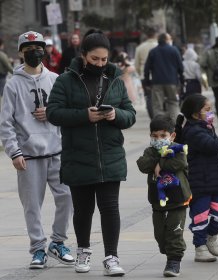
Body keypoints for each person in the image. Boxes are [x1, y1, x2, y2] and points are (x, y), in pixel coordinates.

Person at [46, 29, 136, 276]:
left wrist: (116, 114)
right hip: (78, 156)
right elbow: (53, 112)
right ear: (83, 55)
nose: (99, 64)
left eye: (104, 59)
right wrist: (84, 115)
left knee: (110, 208)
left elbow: (130, 115)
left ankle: (111, 257)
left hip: (110, 156)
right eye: (95, 59)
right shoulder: (66, 79)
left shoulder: (115, 79)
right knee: (83, 209)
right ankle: (83, 252)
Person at [0, 31, 74, 269]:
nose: (35, 51)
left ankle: (58, 242)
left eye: (39, 47)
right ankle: (37, 248)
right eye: (29, 48)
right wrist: (14, 151)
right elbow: (5, 122)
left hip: (57, 150)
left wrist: (52, 114)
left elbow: (67, 112)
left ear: (45, 50)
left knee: (68, 197)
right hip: (29, 155)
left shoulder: (55, 79)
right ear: (21, 52)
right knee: (32, 205)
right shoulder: (13, 85)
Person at [174, 94, 218, 262]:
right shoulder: (192, 131)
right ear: (195, 113)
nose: (211, 112)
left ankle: (210, 238)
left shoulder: (206, 126)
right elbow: (212, 146)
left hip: (213, 181)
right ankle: (200, 247)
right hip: (199, 183)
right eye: (207, 109)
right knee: (200, 217)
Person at [136, 115, 192, 277]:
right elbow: (142, 165)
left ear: (172, 136)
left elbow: (179, 163)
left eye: (163, 136)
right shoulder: (150, 151)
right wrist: (159, 157)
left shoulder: (178, 148)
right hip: (157, 200)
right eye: (154, 136)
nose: (158, 139)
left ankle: (174, 261)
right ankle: (167, 249)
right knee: (160, 234)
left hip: (178, 199)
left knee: (174, 231)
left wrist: (161, 164)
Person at [144, 33, 184, 121]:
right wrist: (181, 80)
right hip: (172, 81)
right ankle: (175, 122)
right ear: (166, 40)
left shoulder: (153, 51)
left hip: (157, 82)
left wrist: (147, 82)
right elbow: (180, 67)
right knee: (173, 102)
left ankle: (159, 124)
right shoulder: (174, 50)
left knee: (157, 104)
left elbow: (147, 68)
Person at [134, 27, 157, 119]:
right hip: (157, 75)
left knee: (149, 97)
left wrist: (140, 73)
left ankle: (152, 117)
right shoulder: (158, 45)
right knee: (159, 97)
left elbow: (136, 64)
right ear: (155, 35)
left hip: (144, 75)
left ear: (146, 36)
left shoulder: (140, 47)